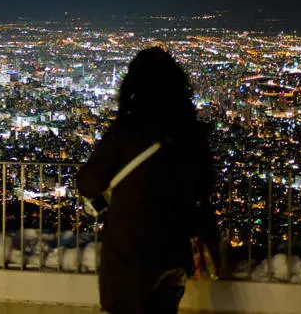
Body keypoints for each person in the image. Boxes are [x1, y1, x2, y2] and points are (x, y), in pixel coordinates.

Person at [77, 46, 219, 314]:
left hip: (129, 252)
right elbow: (205, 186)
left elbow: (89, 182)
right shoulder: (190, 134)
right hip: (172, 249)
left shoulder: (126, 131)